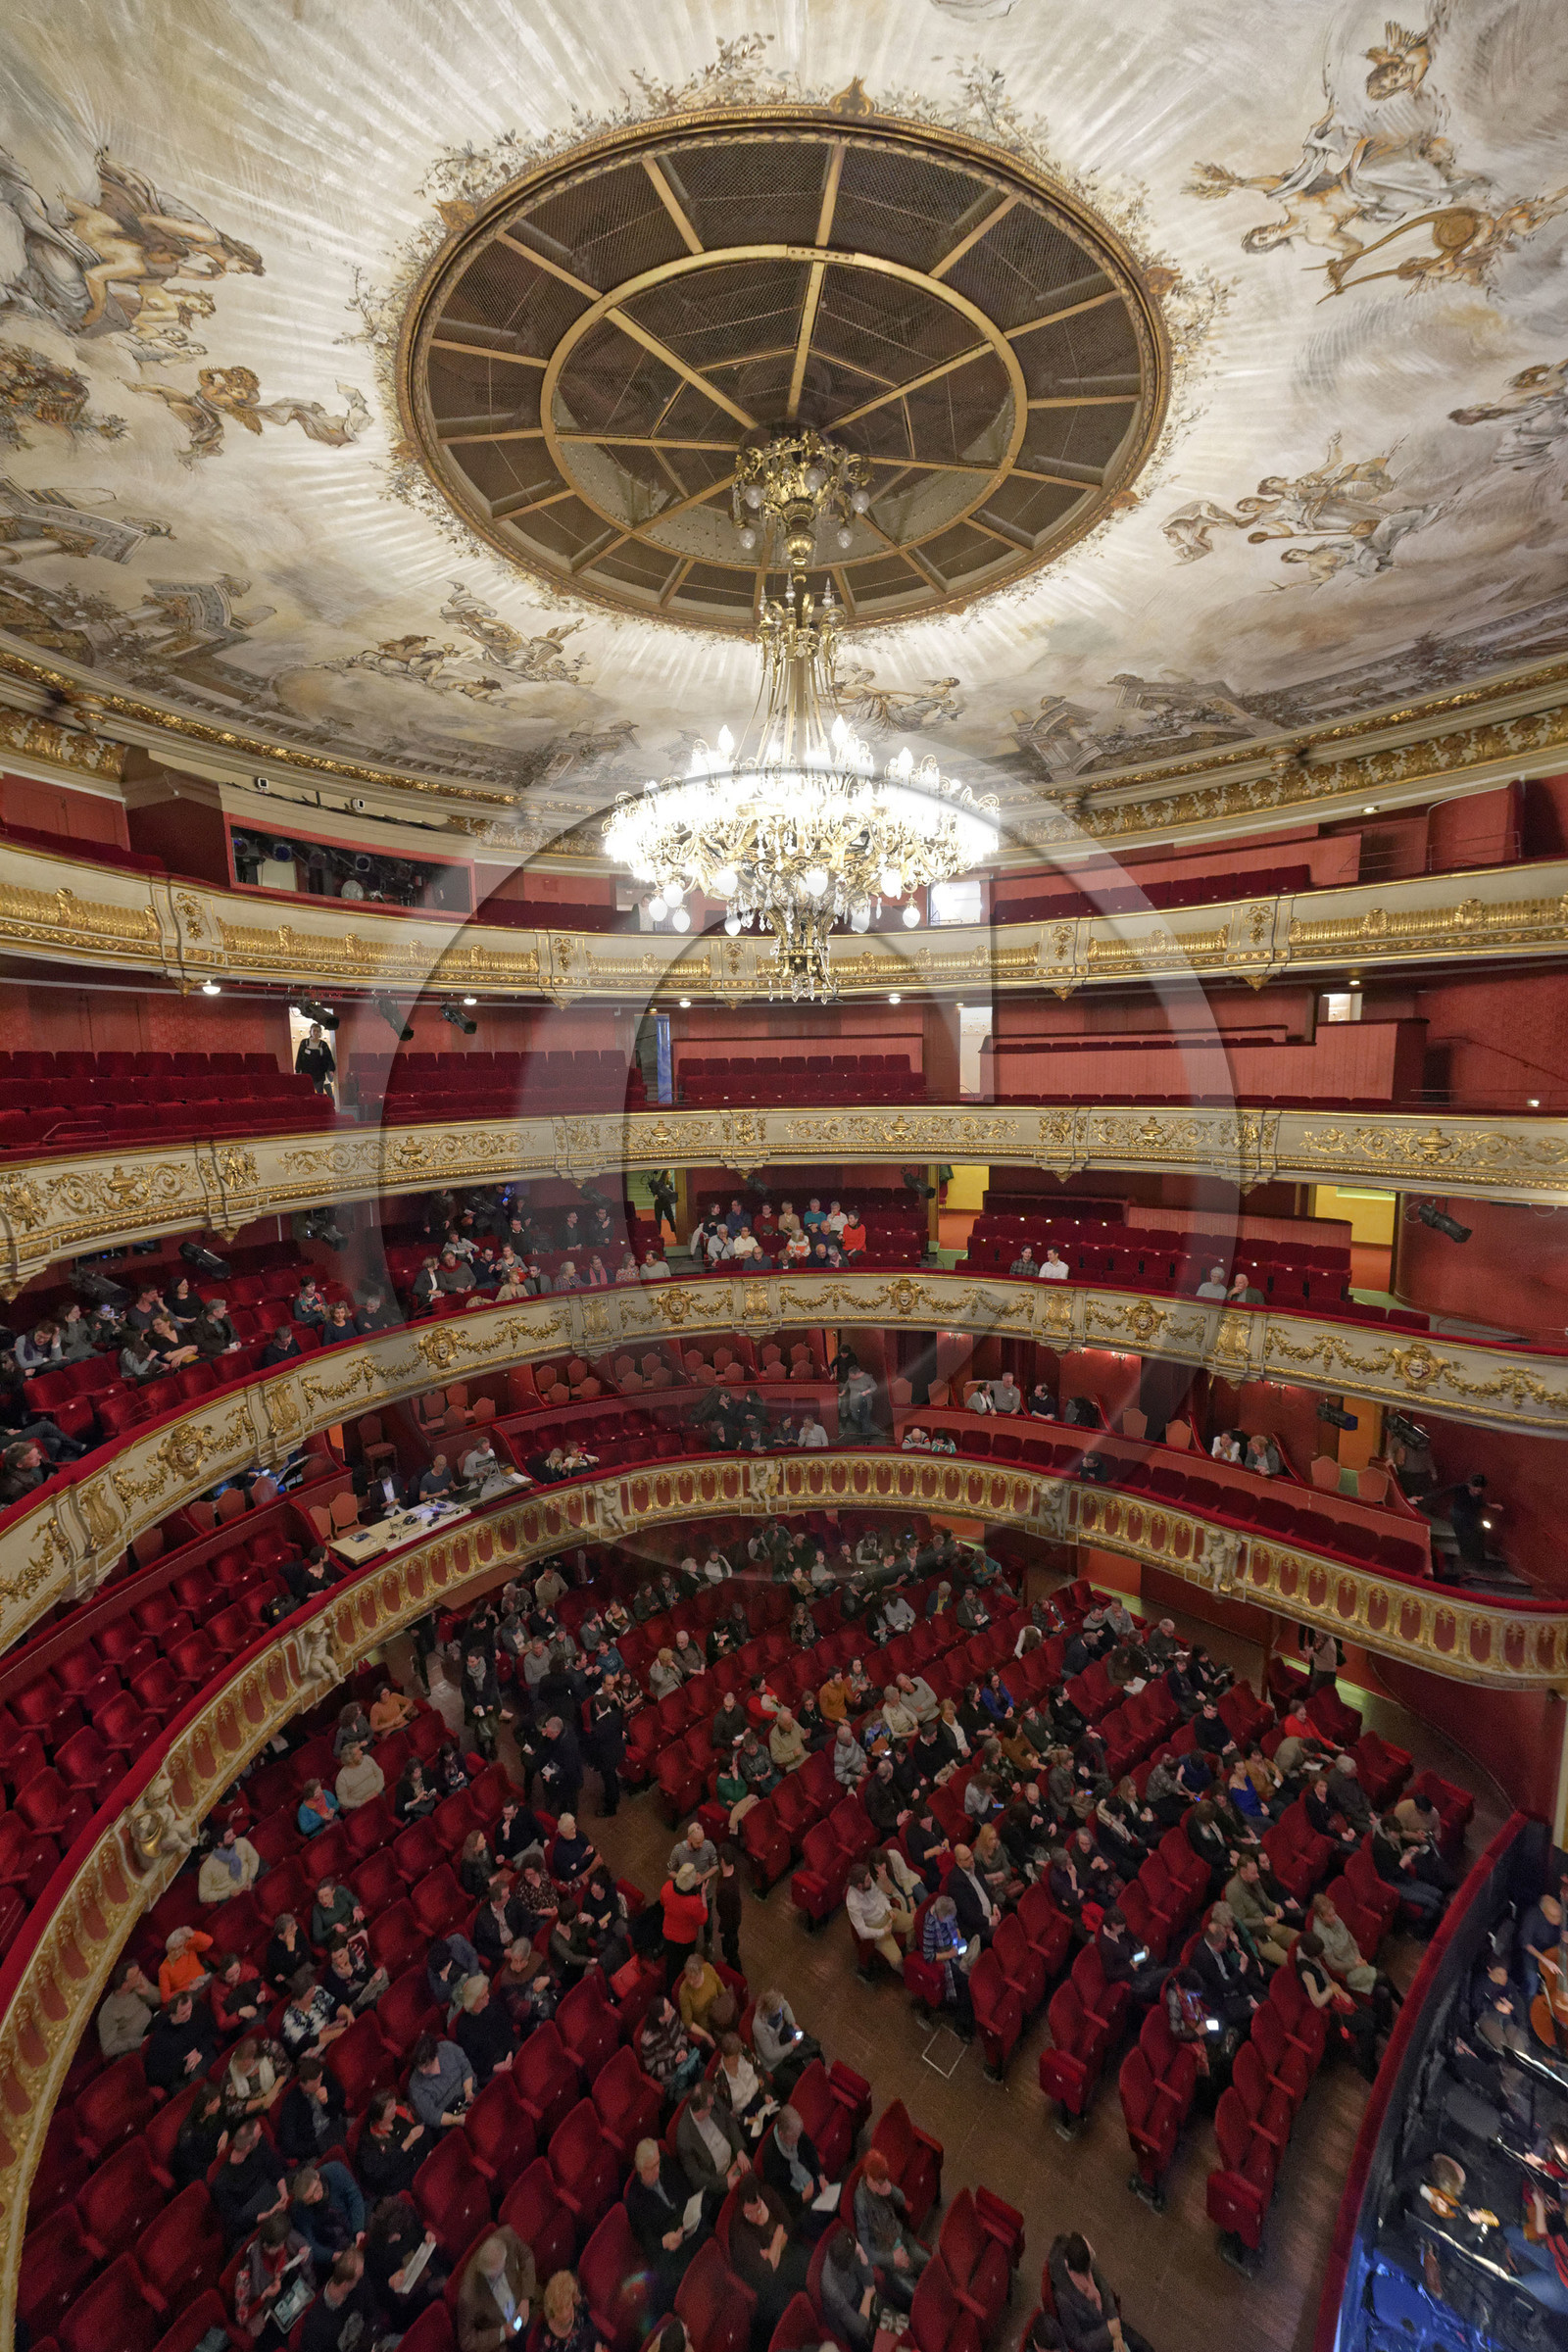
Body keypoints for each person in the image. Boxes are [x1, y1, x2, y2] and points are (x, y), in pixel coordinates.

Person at [626, 2137, 711, 2295]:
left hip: (683, 2218)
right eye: (652, 2168)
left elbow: (684, 2187)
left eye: (657, 2163)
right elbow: (647, 2240)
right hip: (667, 2237)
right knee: (673, 2271)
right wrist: (664, 2242)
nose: (658, 2170)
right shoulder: (634, 2200)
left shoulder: (664, 2161)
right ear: (641, 2170)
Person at [1047, 2233, 1153, 2352]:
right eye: (1083, 2275)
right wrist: (1108, 2332)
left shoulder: (1084, 2261)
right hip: (1096, 2339)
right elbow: (1077, 2342)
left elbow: (1105, 2290)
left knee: (1146, 2349)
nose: (1088, 2278)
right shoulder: (1063, 2299)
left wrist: (1115, 2326)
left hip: (1111, 2323)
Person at [730, 2179, 809, 2332]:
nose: (756, 2216)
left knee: (809, 2264)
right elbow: (766, 2270)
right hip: (765, 2283)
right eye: (750, 2213)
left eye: (758, 2210)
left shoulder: (767, 2193)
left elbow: (788, 2226)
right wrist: (778, 2235)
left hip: (782, 2256)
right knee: (787, 2314)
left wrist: (774, 2248)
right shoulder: (740, 2230)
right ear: (743, 2208)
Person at [854, 2149, 929, 2311]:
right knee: (919, 2297)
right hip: (887, 2255)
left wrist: (890, 2190)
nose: (884, 2184)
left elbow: (902, 2200)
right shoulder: (862, 2204)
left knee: (932, 2266)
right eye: (880, 2182)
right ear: (869, 2179)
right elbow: (866, 2250)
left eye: (885, 2180)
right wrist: (892, 2258)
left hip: (902, 2237)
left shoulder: (882, 2183)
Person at [458, 2228, 538, 2352]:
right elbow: (467, 2340)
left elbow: (526, 2257)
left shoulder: (507, 2236)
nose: (502, 2276)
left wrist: (525, 2298)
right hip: (499, 2332)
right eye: (497, 2276)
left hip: (523, 2305)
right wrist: (502, 2333)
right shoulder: (468, 2295)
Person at [674, 2077, 751, 2195]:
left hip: (735, 2158)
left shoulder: (711, 2100)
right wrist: (725, 2182)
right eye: (710, 2106)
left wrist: (739, 2150)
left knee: (754, 2179)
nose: (714, 2104)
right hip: (718, 2181)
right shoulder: (685, 2139)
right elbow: (697, 2178)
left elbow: (729, 2120)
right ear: (701, 2111)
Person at [846, 1859, 911, 1971]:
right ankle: (906, 1975)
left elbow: (880, 1895)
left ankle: (911, 1951)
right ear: (860, 1886)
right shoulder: (853, 1903)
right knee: (896, 1959)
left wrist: (889, 1909)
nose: (870, 1881)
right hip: (877, 1928)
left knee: (915, 1922)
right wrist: (883, 1931)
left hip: (888, 1915)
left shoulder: (868, 1881)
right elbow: (862, 1931)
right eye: (867, 1880)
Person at [640, 1994, 706, 2098]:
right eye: (668, 2009)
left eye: (669, 2005)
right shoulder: (647, 2040)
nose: (672, 2009)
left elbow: (683, 2032)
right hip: (673, 2079)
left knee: (709, 2082)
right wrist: (673, 2061)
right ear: (661, 2018)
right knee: (695, 2102)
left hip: (688, 2061)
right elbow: (652, 2070)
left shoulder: (673, 2015)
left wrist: (682, 2049)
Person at [409, 2032, 476, 2129]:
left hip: (467, 2093)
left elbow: (466, 2068)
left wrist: (468, 2091)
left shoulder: (448, 2048)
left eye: (426, 2065)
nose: (422, 2071)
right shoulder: (415, 2085)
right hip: (448, 2115)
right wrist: (456, 2119)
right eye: (419, 2067)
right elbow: (431, 2115)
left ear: (434, 2056)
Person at [98, 1956, 157, 2058]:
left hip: (153, 2025)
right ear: (125, 1985)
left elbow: (159, 2000)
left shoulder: (138, 1983)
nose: (141, 1975)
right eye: (136, 1975)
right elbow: (108, 2048)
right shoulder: (108, 2011)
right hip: (136, 2046)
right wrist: (140, 2041)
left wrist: (147, 1993)